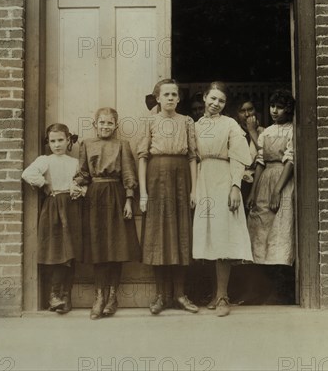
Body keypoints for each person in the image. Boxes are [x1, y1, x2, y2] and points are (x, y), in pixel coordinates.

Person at [192, 81, 253, 317]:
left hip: (224, 180)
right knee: (208, 236)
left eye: (221, 101)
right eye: (213, 98)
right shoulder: (195, 125)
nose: (216, 104)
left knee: (223, 235)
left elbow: (238, 157)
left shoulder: (230, 125)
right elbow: (192, 158)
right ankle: (214, 293)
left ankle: (223, 296)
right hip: (203, 180)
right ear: (205, 97)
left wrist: (235, 186)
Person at [138, 79, 198, 315]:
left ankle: (180, 295)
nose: (171, 98)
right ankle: (162, 296)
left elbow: (193, 157)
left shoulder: (187, 122)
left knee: (181, 234)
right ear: (158, 98)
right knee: (158, 236)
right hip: (156, 178)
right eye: (166, 94)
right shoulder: (150, 121)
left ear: (179, 98)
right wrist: (143, 193)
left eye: (175, 94)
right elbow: (142, 157)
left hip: (181, 179)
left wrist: (194, 190)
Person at [74, 108, 140, 320]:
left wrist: (129, 200)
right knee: (98, 248)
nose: (105, 127)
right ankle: (99, 297)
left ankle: (112, 297)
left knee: (116, 247)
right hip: (94, 198)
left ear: (116, 125)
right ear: (95, 124)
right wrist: (75, 184)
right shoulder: (86, 144)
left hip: (116, 197)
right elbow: (83, 172)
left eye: (110, 123)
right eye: (101, 123)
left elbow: (129, 174)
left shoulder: (122, 146)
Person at [21, 123, 82, 314]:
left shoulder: (74, 162)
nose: (57, 145)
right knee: (56, 251)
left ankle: (67, 296)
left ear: (68, 140)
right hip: (54, 207)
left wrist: (77, 188)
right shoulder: (45, 160)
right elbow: (27, 173)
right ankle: (54, 295)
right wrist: (44, 183)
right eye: (53, 141)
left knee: (70, 254)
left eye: (61, 140)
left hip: (71, 207)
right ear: (48, 142)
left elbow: (82, 180)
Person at [247, 90, 295, 267]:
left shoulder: (292, 130)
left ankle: (279, 273)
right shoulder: (267, 132)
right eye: (272, 106)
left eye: (280, 108)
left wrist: (277, 191)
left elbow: (290, 161)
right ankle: (261, 274)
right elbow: (260, 161)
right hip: (264, 181)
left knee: (280, 226)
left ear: (288, 109)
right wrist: (253, 191)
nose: (274, 110)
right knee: (260, 227)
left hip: (282, 180)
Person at [231, 95, 264, 208]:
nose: (247, 114)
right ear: (236, 114)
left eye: (250, 109)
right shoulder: (233, 133)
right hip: (238, 183)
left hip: (258, 182)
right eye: (242, 111)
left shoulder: (263, 132)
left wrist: (252, 131)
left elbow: (265, 155)